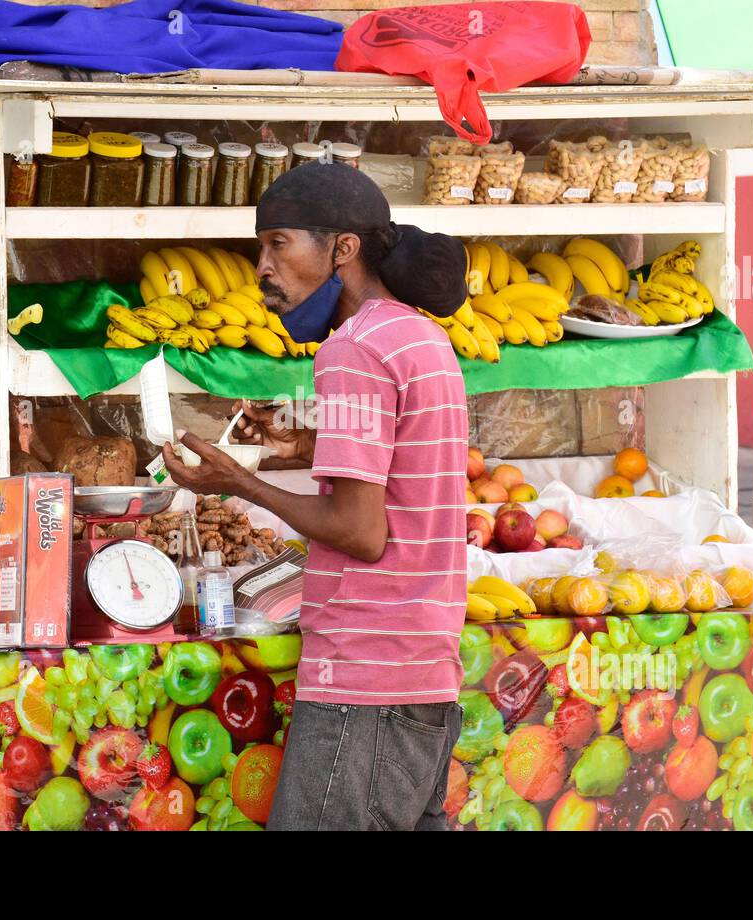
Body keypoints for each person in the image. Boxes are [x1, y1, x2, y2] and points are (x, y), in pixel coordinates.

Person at [162, 163, 469, 830]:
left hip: (368, 675)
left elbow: (361, 532)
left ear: (344, 249)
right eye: (259, 247)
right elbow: (405, 474)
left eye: (279, 243)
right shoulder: (420, 338)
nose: (263, 266)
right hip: (423, 667)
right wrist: (304, 450)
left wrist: (239, 482)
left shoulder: (354, 352)